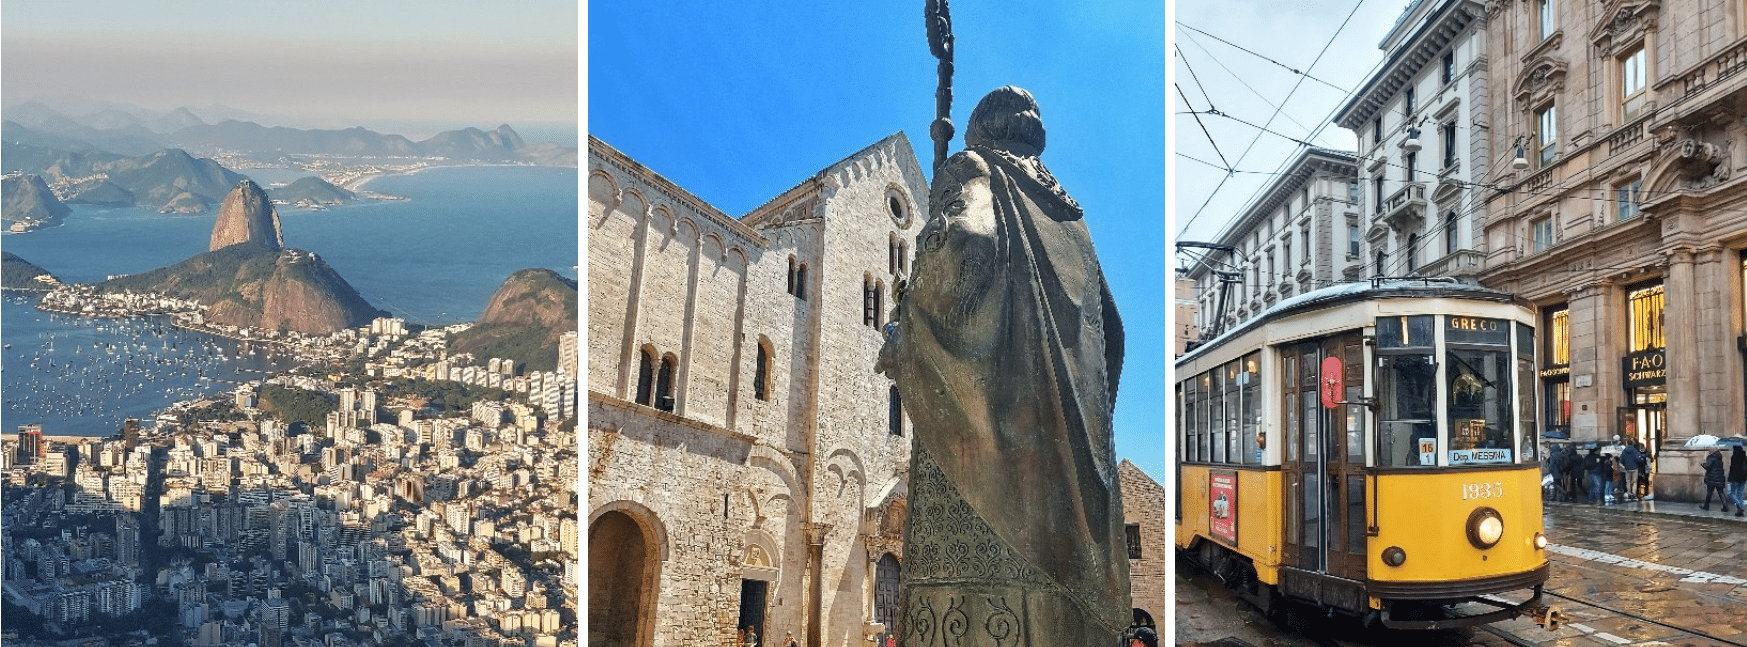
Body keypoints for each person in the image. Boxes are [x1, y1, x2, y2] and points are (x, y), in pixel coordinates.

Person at [876, 86, 1129, 641]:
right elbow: (1112, 329)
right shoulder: (1071, 215)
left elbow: (966, 241)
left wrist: (908, 324)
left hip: (991, 487)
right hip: (1075, 498)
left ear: (980, 131)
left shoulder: (975, 166)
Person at [1728, 446, 1747, 517]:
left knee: (1731, 494)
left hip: (1735, 478)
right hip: (1743, 479)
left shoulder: (1734, 457)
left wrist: (1730, 478)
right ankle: (1739, 511)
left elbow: (1733, 469)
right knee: (1740, 495)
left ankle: (1739, 505)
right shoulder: (1744, 456)